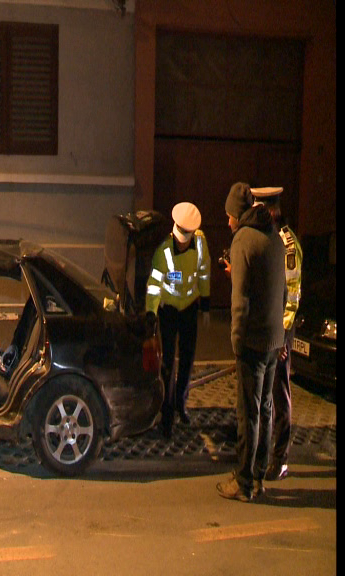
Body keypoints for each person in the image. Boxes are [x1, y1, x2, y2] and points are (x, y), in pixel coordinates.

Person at [216, 182, 286, 502]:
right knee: (266, 408)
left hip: (253, 341)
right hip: (273, 339)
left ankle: (243, 483)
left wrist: (236, 340)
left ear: (237, 213)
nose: (227, 219)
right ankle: (258, 476)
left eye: (229, 214)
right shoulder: (274, 237)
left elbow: (241, 300)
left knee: (248, 413)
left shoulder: (243, 239)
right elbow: (280, 289)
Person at [250, 187, 303, 482]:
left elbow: (292, 295)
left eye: (258, 210)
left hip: (280, 330)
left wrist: (283, 336)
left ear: (270, 211)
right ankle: (262, 451)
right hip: (267, 327)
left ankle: (280, 458)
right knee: (264, 393)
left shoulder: (287, 244)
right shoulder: (268, 238)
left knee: (280, 393)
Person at [146, 202, 211, 439]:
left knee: (187, 359)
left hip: (190, 309)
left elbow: (204, 272)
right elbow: (154, 285)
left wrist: (206, 304)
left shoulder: (200, 242)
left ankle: (181, 403)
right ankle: (167, 414)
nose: (182, 242)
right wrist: (151, 312)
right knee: (167, 364)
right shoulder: (163, 252)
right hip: (169, 311)